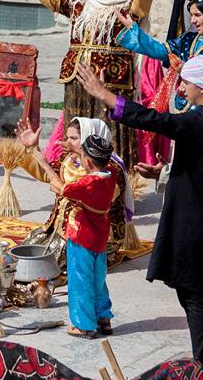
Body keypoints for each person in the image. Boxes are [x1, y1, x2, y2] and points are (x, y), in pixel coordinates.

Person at [75, 56, 203, 372]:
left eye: (185, 82)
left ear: (202, 86)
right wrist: (165, 172)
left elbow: (160, 121)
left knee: (200, 301)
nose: (180, 87)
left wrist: (106, 95)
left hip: (197, 228)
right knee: (202, 300)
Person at [21, 0, 152, 166]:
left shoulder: (124, 5)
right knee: (77, 126)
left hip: (111, 79)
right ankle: (72, 173)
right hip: (78, 77)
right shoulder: (79, 3)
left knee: (108, 129)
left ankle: (111, 178)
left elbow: (141, 8)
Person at [16, 116, 137, 270]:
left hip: (90, 234)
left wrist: (56, 172)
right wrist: (32, 148)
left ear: (89, 138)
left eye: (74, 138)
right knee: (30, 247)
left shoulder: (109, 169)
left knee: (52, 262)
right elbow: (47, 174)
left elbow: (81, 190)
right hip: (63, 228)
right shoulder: (69, 159)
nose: (67, 142)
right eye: (67, 137)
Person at [28, 133, 119, 339]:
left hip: (82, 238)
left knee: (80, 280)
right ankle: (103, 318)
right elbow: (98, 165)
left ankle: (84, 325)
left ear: (87, 161)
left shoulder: (87, 185)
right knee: (98, 279)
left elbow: (62, 187)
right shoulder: (111, 174)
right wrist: (78, 150)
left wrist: (42, 160)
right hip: (100, 238)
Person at [116, 0, 203, 114]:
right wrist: (134, 29)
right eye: (191, 15)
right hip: (183, 99)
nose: (192, 21)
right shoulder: (188, 38)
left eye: (197, 15)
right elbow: (160, 51)